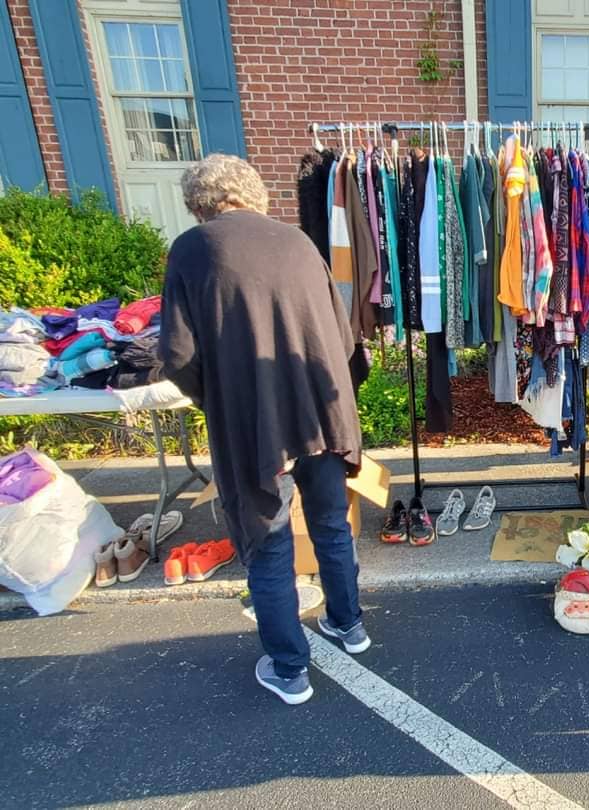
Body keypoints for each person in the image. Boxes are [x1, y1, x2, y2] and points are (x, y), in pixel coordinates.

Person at [160, 154, 369, 706]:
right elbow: (346, 343)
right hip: (323, 416)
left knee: (270, 540)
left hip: (257, 425)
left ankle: (289, 668)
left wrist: (219, 398)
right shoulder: (300, 243)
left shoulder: (193, 249)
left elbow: (178, 355)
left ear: (199, 205)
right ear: (254, 195)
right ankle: (349, 626)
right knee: (330, 523)